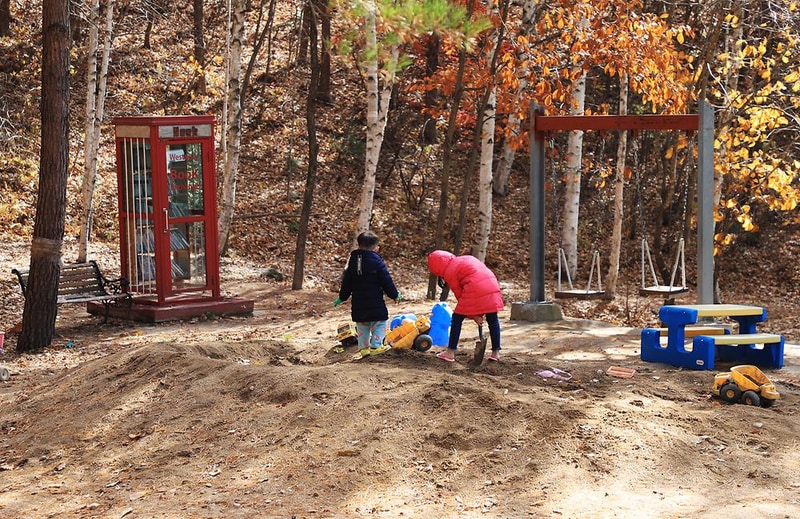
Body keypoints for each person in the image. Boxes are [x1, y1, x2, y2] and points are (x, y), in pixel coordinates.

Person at [427, 250, 504, 362]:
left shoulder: (450, 271)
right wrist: (476, 315)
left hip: (476, 287)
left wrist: (474, 316)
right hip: (492, 284)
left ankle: (450, 352)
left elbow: (461, 296)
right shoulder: (463, 259)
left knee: (457, 318)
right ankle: (496, 352)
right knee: (492, 318)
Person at [334, 231, 401, 356]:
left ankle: (363, 349)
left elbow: (346, 282)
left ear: (358, 246)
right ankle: (376, 346)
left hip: (358, 303)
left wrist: (342, 297)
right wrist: (394, 295)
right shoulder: (377, 262)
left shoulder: (352, 262)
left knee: (362, 325)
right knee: (380, 322)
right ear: (376, 248)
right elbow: (386, 280)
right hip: (375, 301)